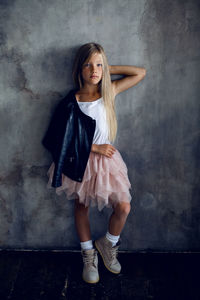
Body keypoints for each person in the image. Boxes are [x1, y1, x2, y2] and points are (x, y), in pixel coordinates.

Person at [42, 42, 146, 284]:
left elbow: (140, 73)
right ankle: (88, 255)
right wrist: (93, 147)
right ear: (80, 69)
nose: (94, 69)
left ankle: (107, 244)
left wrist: (109, 68)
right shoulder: (72, 101)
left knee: (123, 206)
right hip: (82, 161)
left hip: (109, 162)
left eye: (98, 64)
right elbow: (57, 139)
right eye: (88, 64)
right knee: (82, 206)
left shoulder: (109, 90)